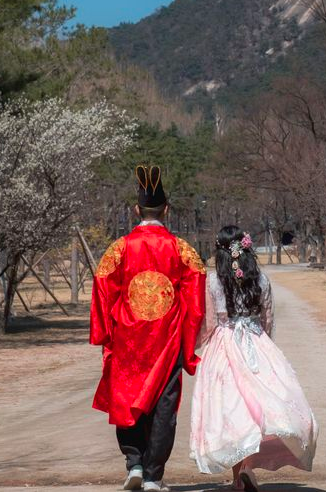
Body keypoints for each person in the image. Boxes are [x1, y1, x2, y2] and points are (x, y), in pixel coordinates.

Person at [90, 165, 207, 492]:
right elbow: (196, 301)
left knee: (127, 399)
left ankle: (134, 464)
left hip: (128, 340)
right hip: (167, 342)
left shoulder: (119, 248)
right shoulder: (183, 250)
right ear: (166, 210)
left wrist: (105, 334)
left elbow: (102, 287)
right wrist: (189, 340)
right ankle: (154, 475)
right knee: (163, 406)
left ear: (136, 210)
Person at [189, 225, 318, 491]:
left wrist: (193, 346)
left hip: (224, 346)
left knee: (233, 410)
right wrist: (264, 344)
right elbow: (267, 319)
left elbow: (211, 322)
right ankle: (245, 471)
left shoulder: (212, 281)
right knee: (258, 408)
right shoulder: (261, 280)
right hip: (255, 341)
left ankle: (240, 476)